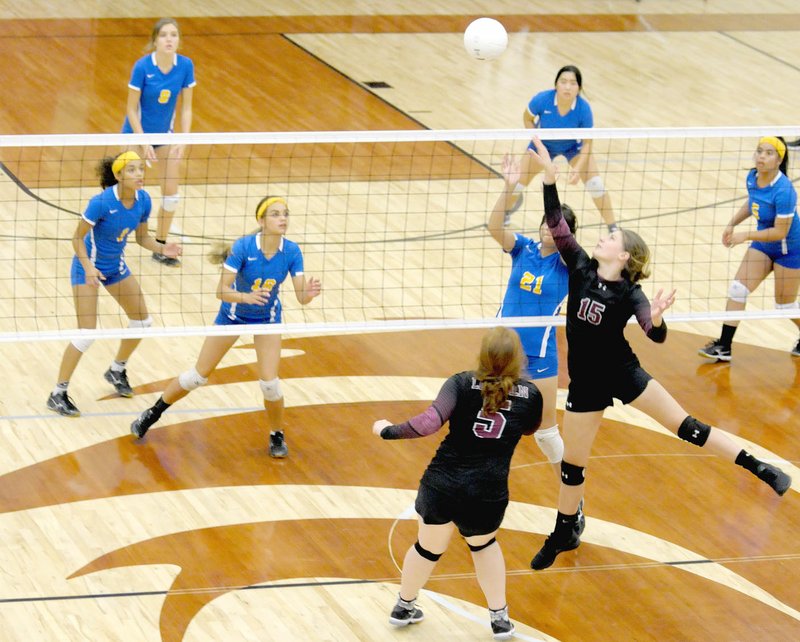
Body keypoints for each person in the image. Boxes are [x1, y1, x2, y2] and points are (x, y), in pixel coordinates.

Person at [524, 137, 792, 572]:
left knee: (686, 426)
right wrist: (550, 182)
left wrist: (661, 318)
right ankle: (565, 529)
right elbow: (557, 225)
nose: (602, 237)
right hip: (587, 382)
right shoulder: (580, 268)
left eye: (610, 237)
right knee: (573, 466)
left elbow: (654, 333)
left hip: (623, 373)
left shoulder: (632, 292)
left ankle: (759, 467)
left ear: (624, 254)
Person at [372, 326, 543, 640]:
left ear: (482, 355)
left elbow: (427, 424)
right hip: (487, 491)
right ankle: (499, 619)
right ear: (518, 359)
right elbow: (531, 428)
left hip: (442, 484)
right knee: (484, 546)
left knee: (427, 548)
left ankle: (403, 606)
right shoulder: (531, 396)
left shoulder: (461, 383)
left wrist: (387, 430)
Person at [129, 196, 321, 458]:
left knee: (270, 384)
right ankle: (152, 413)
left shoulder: (291, 251)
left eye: (285, 213)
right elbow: (222, 291)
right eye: (275, 214)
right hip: (232, 317)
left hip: (267, 319)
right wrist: (245, 298)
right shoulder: (243, 248)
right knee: (197, 376)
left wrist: (309, 293)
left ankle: (277, 434)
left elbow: (301, 298)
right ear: (261, 220)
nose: (283, 218)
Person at [46, 152, 182, 417]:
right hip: (86, 267)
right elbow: (76, 240)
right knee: (87, 334)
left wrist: (164, 249)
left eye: (141, 169)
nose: (140, 174)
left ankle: (116, 369)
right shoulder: (101, 203)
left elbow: (143, 239)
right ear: (118, 176)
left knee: (143, 322)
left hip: (114, 266)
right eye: (132, 170)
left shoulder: (143, 199)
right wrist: (88, 269)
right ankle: (58, 393)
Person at [488, 154, 576, 485]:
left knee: (546, 432)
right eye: (544, 221)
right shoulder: (522, 248)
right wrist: (509, 187)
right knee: (488, 419)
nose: (546, 227)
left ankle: (572, 496)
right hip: (502, 347)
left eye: (554, 224)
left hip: (539, 353)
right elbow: (495, 227)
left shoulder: (568, 266)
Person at [698, 136, 800, 361]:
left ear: (779, 160)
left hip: (789, 249)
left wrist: (745, 235)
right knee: (738, 289)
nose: (761, 156)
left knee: (785, 305)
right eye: (759, 151)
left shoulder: (784, 191)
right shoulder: (752, 177)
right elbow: (752, 201)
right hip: (764, 244)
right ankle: (724, 346)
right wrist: (733, 222)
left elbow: (780, 232)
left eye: (768, 153)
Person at [506, 65, 617, 232]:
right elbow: (527, 118)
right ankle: (503, 214)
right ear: (556, 84)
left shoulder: (584, 109)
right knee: (517, 183)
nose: (567, 87)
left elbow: (588, 142)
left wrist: (578, 169)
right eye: (563, 82)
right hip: (543, 145)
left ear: (578, 88)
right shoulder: (542, 100)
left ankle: (613, 227)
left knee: (596, 184)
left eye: (573, 83)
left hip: (573, 147)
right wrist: (538, 143)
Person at [123, 17, 196, 267]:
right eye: (164, 35)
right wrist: (143, 142)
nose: (169, 39)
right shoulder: (142, 67)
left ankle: (161, 246)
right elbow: (131, 109)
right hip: (136, 134)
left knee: (171, 195)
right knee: (125, 192)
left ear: (178, 40)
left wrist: (183, 140)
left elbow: (187, 109)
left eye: (173, 35)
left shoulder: (185, 65)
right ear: (155, 40)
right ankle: (109, 241)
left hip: (165, 137)